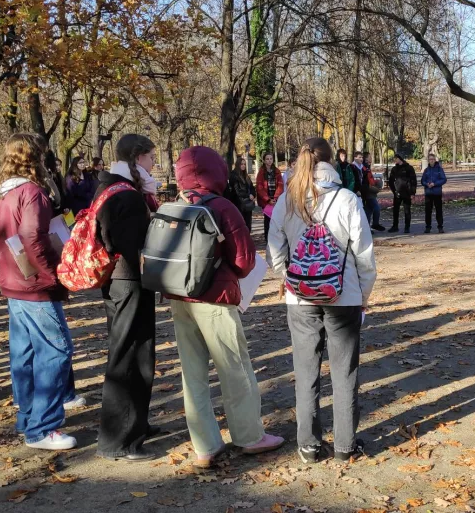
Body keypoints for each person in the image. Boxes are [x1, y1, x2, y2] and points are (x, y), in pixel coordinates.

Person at [166, 146, 284, 468]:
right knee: (234, 369)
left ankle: (204, 445)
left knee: (192, 374)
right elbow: (244, 261)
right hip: (215, 300)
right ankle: (249, 436)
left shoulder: (173, 205)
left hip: (179, 297)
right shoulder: (221, 206)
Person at [267, 137, 376, 463]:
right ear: (331, 161)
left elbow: (274, 253)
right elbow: (364, 256)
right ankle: (345, 445)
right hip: (344, 296)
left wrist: (290, 278)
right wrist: (363, 296)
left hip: (300, 299)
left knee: (305, 372)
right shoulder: (348, 199)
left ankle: (309, 446)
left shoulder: (287, 201)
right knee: (344, 373)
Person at [0, 133, 77, 450]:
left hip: (16, 284)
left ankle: (28, 417)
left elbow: (3, 239)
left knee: (24, 352)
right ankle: (42, 427)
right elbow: (32, 238)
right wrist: (53, 273)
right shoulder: (32, 193)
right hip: (35, 286)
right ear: (37, 158)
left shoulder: (4, 193)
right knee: (56, 351)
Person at [93, 135, 159, 461]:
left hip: (119, 281)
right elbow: (131, 247)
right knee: (129, 358)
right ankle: (119, 440)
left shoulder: (108, 186)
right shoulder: (128, 195)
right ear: (137, 157)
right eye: (151, 157)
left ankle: (135, 424)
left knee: (136, 354)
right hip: (129, 280)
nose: (154, 163)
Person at [256, 152, 284, 241]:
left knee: (276, 219)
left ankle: (275, 237)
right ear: (264, 160)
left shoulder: (277, 171)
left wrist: (275, 198)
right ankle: (267, 238)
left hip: (275, 199)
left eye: (271, 159)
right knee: (267, 219)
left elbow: (280, 185)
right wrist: (268, 200)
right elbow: (259, 187)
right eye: (267, 159)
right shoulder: (261, 172)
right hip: (266, 201)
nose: (269, 161)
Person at [387, 154, 417, 233]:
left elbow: (413, 181)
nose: (395, 160)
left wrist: (413, 193)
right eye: (394, 159)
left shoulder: (409, 168)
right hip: (397, 193)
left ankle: (407, 227)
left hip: (407, 192)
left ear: (400, 159)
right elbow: (391, 181)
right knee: (395, 210)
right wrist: (394, 191)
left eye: (396, 159)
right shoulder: (394, 169)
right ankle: (395, 226)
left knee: (407, 210)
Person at [229, 156, 257, 234]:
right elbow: (237, 191)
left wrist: (253, 194)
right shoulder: (234, 176)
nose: (243, 166)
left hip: (247, 204)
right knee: (241, 223)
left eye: (244, 164)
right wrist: (248, 195)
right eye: (241, 164)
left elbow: (252, 187)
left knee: (248, 223)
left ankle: (248, 237)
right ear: (238, 165)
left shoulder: (246, 176)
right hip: (238, 203)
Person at [421, 154, 447, 233]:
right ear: (428, 160)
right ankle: (428, 227)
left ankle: (440, 227)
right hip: (428, 193)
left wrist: (435, 184)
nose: (431, 161)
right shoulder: (426, 170)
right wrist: (426, 184)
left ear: (435, 160)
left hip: (437, 193)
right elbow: (422, 180)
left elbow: (444, 179)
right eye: (430, 159)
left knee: (438, 210)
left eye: (433, 159)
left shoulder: (439, 169)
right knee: (428, 211)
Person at [358, 152, 384, 232]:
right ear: (366, 158)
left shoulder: (367, 167)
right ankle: (375, 224)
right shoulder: (364, 168)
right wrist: (373, 188)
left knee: (368, 211)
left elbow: (370, 179)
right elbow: (365, 181)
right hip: (368, 192)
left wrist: (376, 182)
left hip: (370, 190)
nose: (371, 158)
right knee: (376, 208)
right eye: (369, 157)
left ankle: (367, 228)